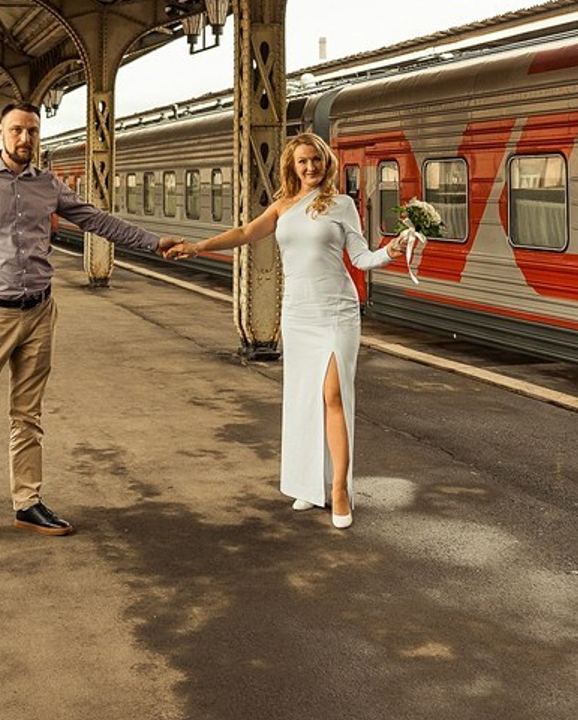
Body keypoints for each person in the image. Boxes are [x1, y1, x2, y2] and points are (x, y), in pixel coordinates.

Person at [0, 101, 184, 557]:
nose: (25, 139)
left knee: (28, 416)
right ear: (0, 133)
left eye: (32, 132)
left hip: (39, 313)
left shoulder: (49, 185)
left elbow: (98, 221)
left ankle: (26, 503)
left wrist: (154, 242)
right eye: (17, 130)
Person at [171, 133, 406, 528]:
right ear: (292, 167)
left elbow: (362, 258)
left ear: (325, 162)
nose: (310, 167)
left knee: (333, 396)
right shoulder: (282, 207)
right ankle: (308, 485)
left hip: (335, 311)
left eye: (316, 159)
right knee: (302, 399)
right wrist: (196, 247)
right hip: (297, 313)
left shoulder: (342, 205)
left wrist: (392, 251)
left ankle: (339, 490)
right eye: (302, 162)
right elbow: (245, 234)